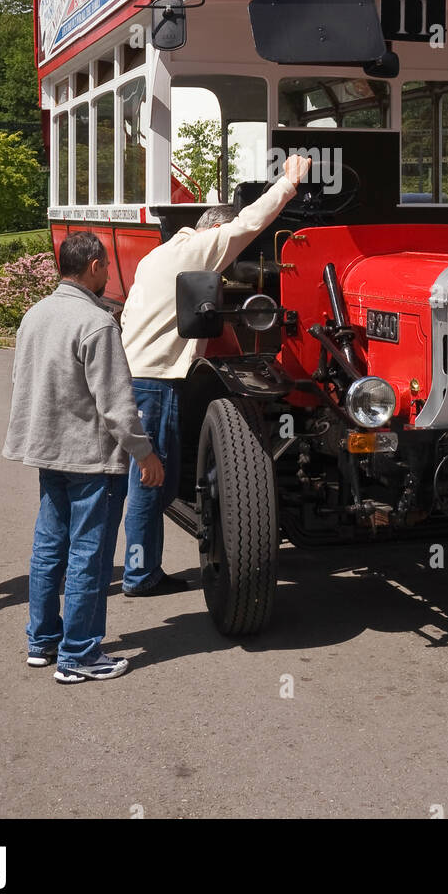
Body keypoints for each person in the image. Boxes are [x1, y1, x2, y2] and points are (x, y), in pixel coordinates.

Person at [120, 153, 312, 597]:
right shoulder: (200, 250)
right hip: (156, 381)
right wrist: (287, 184)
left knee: (152, 480)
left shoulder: (158, 256)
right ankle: (139, 575)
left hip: (141, 375)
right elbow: (247, 223)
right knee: (152, 482)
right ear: (213, 232)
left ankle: (141, 569)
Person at [3, 231, 164, 683]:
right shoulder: (96, 322)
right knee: (89, 554)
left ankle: (43, 642)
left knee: (49, 546)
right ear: (94, 266)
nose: (109, 273)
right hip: (90, 456)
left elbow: (23, 379)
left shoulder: (35, 314)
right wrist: (144, 453)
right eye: (107, 266)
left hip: (48, 450)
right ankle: (79, 654)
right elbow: (116, 400)